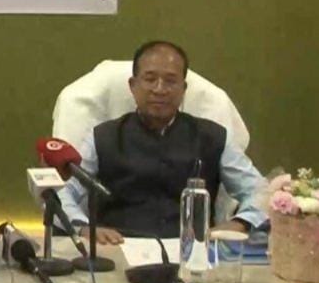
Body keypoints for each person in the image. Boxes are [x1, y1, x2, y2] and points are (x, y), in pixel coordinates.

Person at [58, 40, 267, 243]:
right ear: (133, 85)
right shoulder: (102, 137)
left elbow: (261, 192)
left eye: (170, 81)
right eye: (150, 79)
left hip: (193, 250)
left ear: (183, 89)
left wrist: (241, 223)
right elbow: (62, 192)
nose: (159, 89)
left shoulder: (213, 136)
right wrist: (84, 227)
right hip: (117, 248)